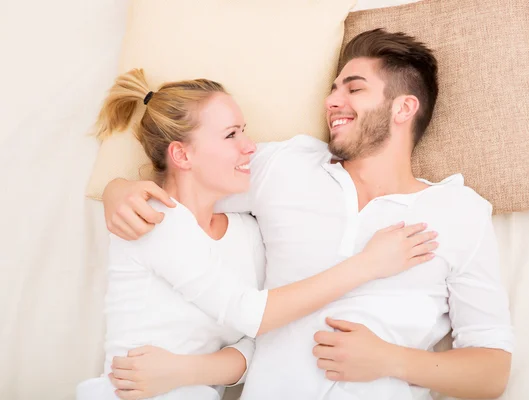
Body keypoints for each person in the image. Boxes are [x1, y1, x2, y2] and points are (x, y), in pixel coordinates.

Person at [103, 29, 513, 400]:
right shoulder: (284, 167)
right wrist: (115, 192)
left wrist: (392, 361)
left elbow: (493, 373)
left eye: (354, 89)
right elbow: (186, 172)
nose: (332, 101)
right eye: (333, 89)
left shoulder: (460, 212)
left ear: (403, 108)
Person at [77, 68, 436, 400]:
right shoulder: (153, 221)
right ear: (181, 155)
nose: (250, 146)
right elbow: (252, 314)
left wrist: (183, 371)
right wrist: (368, 265)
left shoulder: (247, 231)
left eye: (244, 131)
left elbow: (259, 340)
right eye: (231, 135)